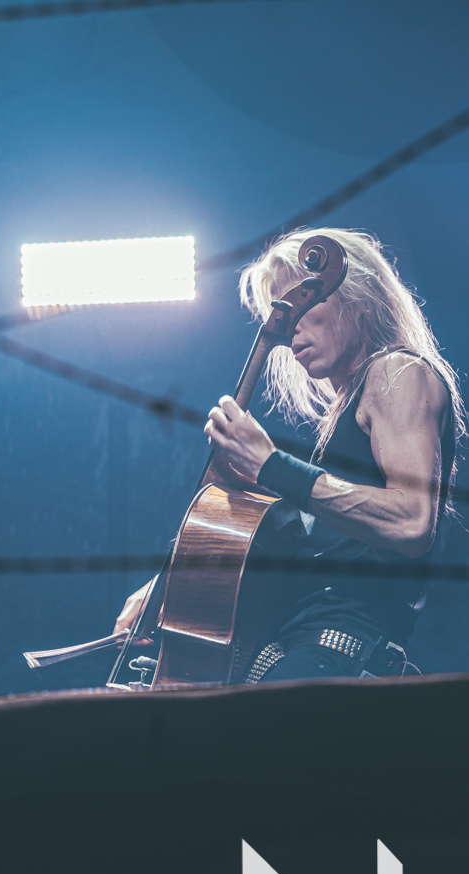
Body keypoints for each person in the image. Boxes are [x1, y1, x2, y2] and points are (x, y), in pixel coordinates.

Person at [116, 228, 464, 682]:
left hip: (340, 653)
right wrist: (171, 585)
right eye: (277, 313)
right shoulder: (340, 424)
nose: (286, 325)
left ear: (356, 298)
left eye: (299, 304)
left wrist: (272, 465)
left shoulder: (397, 371)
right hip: (294, 652)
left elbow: (412, 521)